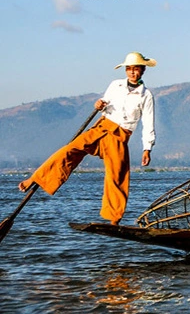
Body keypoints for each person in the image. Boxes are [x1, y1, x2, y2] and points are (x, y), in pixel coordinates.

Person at [18, 52, 157, 225]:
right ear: (126, 70)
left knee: (117, 175)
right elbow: (104, 103)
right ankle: (36, 178)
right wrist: (98, 105)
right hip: (101, 127)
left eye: (136, 69)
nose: (133, 73)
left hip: (119, 136)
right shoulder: (116, 85)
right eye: (129, 69)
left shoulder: (146, 95)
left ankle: (114, 218)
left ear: (143, 71)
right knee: (69, 150)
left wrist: (147, 148)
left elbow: (148, 122)